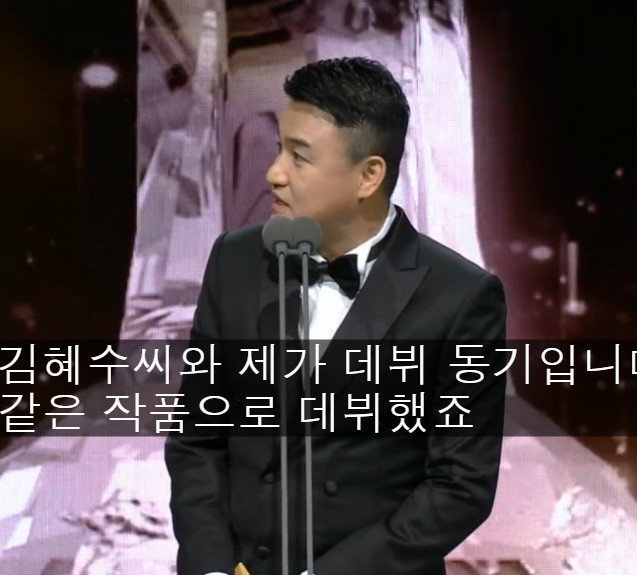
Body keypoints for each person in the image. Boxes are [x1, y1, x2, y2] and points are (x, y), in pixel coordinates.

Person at [165, 56, 507, 575]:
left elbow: (459, 486)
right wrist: (211, 565)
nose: (273, 173)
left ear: (369, 175)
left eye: (299, 157)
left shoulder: (460, 296)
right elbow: (197, 438)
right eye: (279, 148)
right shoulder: (235, 260)